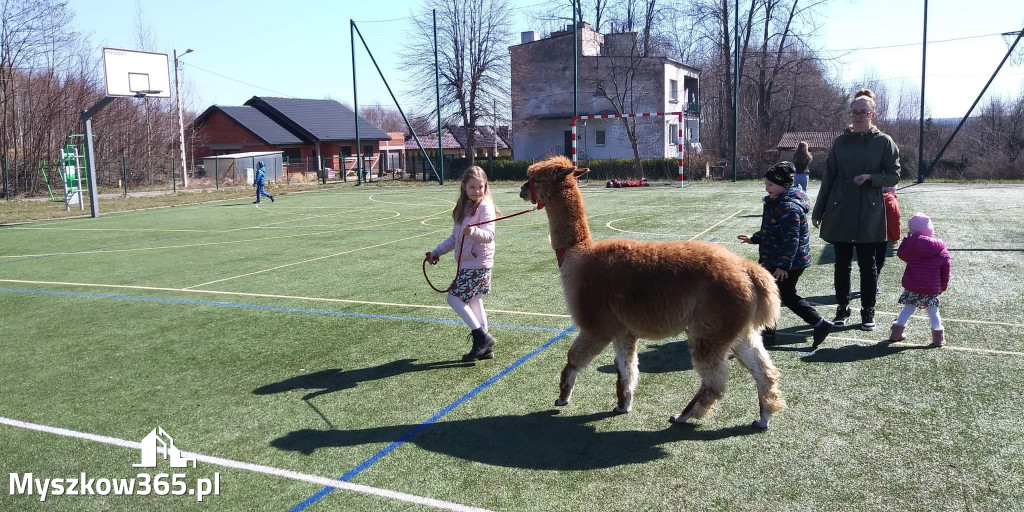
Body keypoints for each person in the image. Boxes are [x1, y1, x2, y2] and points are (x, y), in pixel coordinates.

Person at [811, 88, 900, 331]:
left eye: (863, 112)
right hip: (840, 209)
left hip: (870, 212)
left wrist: (871, 177)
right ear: (850, 114)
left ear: (873, 113)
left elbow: (894, 174)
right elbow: (828, 178)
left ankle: (868, 311)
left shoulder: (884, 142)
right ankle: (842, 307)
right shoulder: (840, 142)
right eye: (854, 112)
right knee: (841, 263)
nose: (858, 116)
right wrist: (818, 211)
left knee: (867, 264)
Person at [738, 162, 833, 350]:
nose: (767, 189)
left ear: (784, 185)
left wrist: (783, 265)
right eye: (766, 185)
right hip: (776, 260)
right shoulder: (776, 203)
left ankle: (819, 324)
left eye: (771, 185)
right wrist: (754, 238)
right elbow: (771, 230)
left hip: (788, 263)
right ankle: (769, 331)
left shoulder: (789, 208)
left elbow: (791, 240)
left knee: (784, 295)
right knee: (774, 295)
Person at [426, 166, 500, 361]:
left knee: (453, 298)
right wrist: (436, 252)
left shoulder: (485, 206)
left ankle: (481, 337)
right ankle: (485, 347)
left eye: (480, 187)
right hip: (468, 263)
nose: (477, 191)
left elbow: (489, 236)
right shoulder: (463, 207)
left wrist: (473, 232)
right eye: (472, 187)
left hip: (478, 264)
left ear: (486, 187)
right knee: (475, 300)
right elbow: (454, 238)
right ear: (464, 187)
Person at [888, 213, 951, 347]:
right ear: (930, 230)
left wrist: (909, 240)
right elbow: (946, 269)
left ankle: (896, 333)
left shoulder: (911, 246)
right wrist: (943, 286)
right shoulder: (941, 248)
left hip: (913, 285)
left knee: (908, 308)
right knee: (933, 311)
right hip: (932, 287)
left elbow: (901, 254)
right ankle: (938, 339)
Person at [873, 185, 902, 295]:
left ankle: (866, 284)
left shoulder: (869, 196)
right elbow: (894, 220)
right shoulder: (890, 200)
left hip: (865, 234)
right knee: (878, 262)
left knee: (866, 261)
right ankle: (873, 286)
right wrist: (894, 237)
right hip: (881, 237)